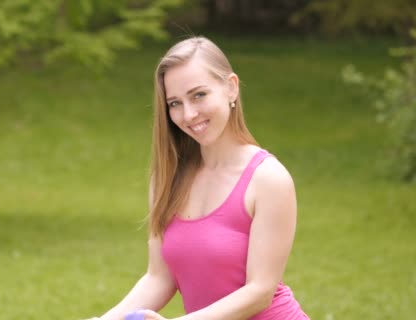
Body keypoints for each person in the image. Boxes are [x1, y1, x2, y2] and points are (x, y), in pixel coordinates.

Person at [86, 36, 309, 320]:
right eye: (175, 103)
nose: (188, 114)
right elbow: (159, 278)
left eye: (199, 95)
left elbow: (260, 291)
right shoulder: (167, 179)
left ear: (231, 88)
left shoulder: (268, 179)